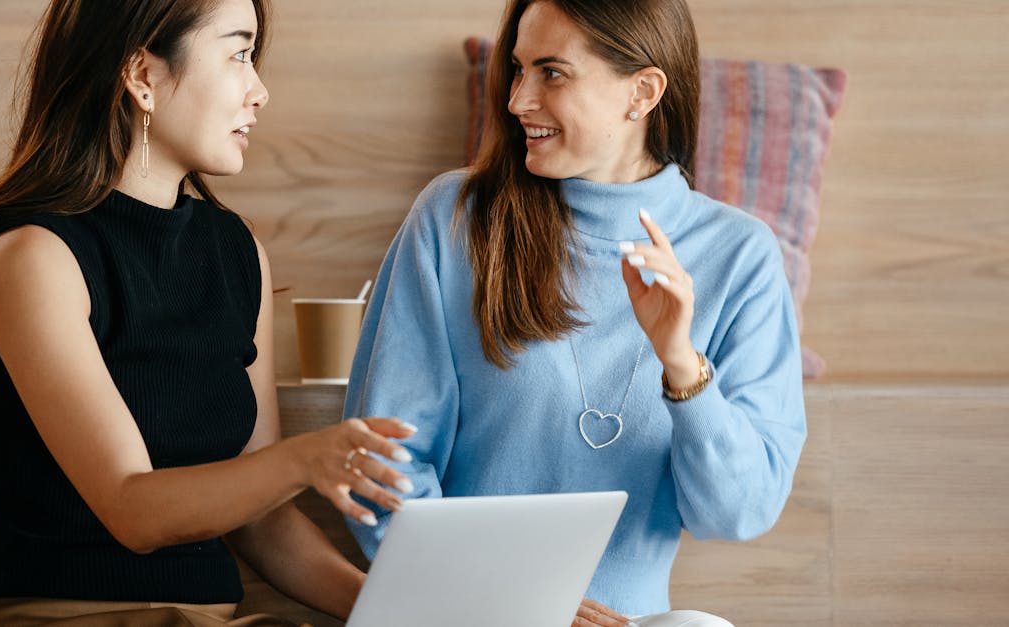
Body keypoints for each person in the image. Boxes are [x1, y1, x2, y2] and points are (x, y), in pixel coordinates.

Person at [0, 1, 416, 625]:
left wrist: (404, 611)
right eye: (239, 53)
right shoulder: (35, 257)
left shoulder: (238, 252)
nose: (260, 90)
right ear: (141, 77)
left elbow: (261, 521)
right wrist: (305, 459)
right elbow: (132, 510)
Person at [343, 0, 807, 625]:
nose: (517, 101)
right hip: (466, 614)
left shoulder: (740, 255)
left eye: (552, 73)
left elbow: (739, 512)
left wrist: (681, 365)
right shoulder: (455, 218)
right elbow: (379, 468)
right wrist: (514, 605)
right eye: (518, 70)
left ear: (641, 92)